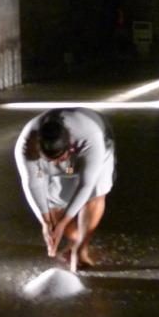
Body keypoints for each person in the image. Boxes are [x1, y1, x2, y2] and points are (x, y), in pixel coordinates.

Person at [14, 107, 115, 272]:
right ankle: (76, 239)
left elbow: (86, 185)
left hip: (97, 140)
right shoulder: (26, 145)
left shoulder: (90, 137)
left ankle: (81, 248)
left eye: (59, 159)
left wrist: (63, 223)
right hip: (56, 155)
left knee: (95, 193)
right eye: (50, 160)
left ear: (70, 148)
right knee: (53, 202)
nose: (55, 163)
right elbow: (33, 184)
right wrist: (45, 222)